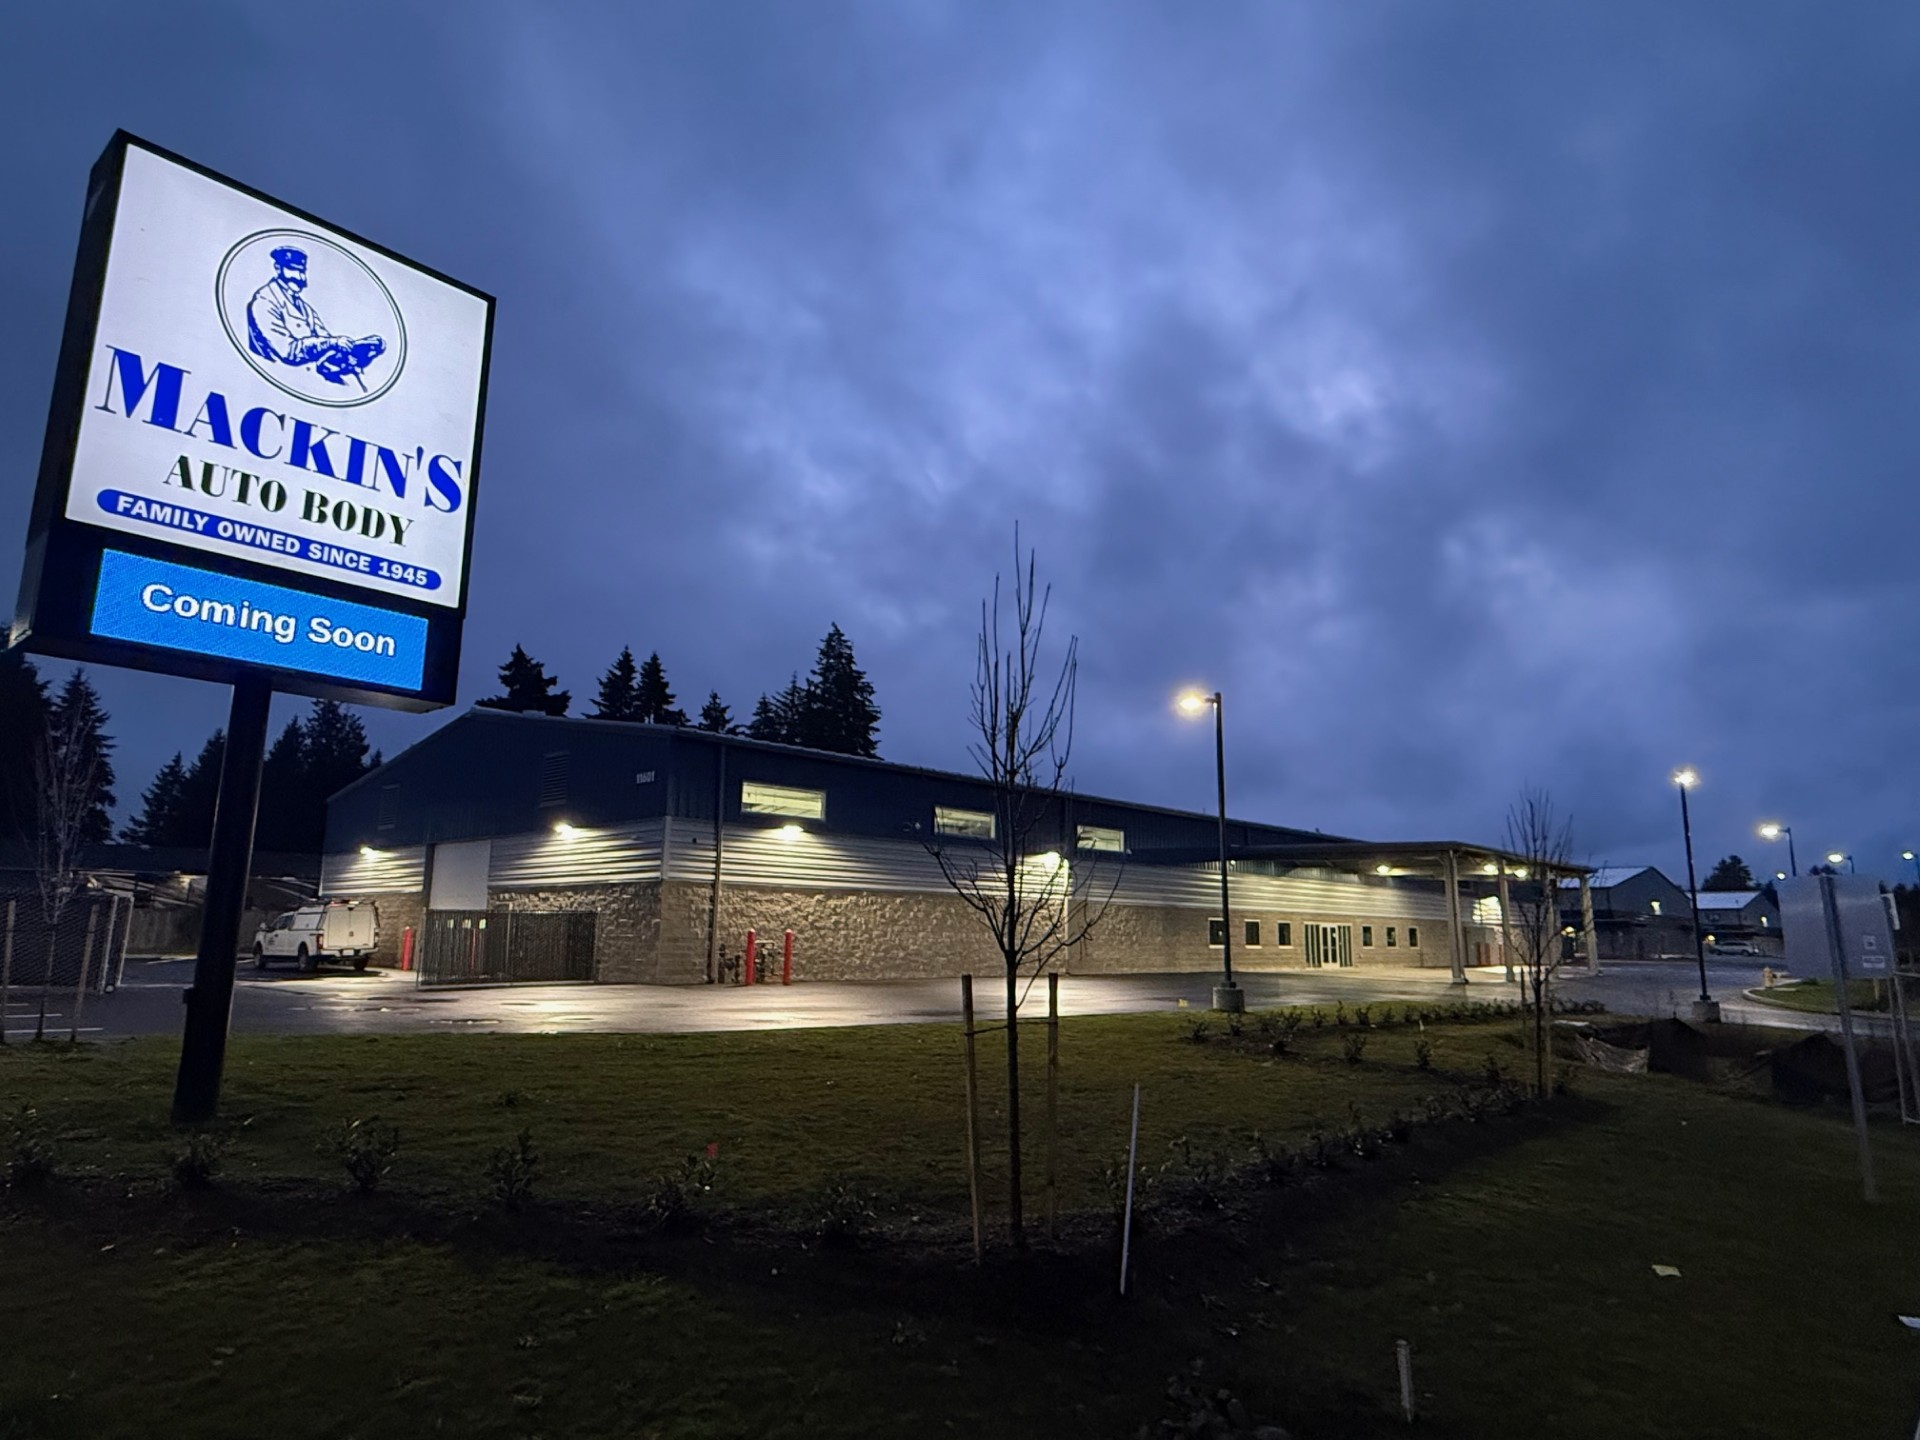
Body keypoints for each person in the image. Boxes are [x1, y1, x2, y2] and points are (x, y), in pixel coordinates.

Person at [246, 246, 385, 389]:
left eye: (302, 271)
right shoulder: (265, 300)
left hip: (309, 384)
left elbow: (325, 341)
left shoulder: (305, 308)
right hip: (275, 383)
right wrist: (333, 343)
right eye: (292, 270)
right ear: (278, 268)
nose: (300, 278)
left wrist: (356, 351)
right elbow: (287, 351)